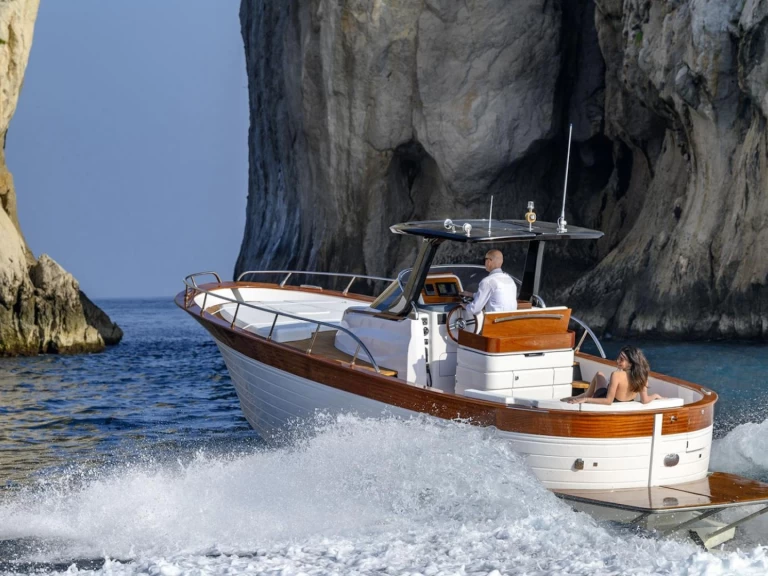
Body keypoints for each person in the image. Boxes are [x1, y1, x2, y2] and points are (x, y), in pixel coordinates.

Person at [564, 345, 663, 405]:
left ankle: (580, 397)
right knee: (601, 378)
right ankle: (577, 397)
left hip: (602, 398)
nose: (617, 361)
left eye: (621, 359)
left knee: (599, 374)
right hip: (624, 401)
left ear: (631, 363)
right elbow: (645, 400)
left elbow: (608, 401)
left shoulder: (616, 375)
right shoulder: (641, 377)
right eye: (618, 358)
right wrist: (655, 395)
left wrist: (586, 399)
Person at [462, 249, 517, 315]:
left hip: (495, 320)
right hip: (510, 319)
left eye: (485, 260)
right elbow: (494, 297)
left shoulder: (488, 282)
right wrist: (471, 294)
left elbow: (474, 309)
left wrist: (464, 306)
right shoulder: (510, 280)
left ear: (488, 261)